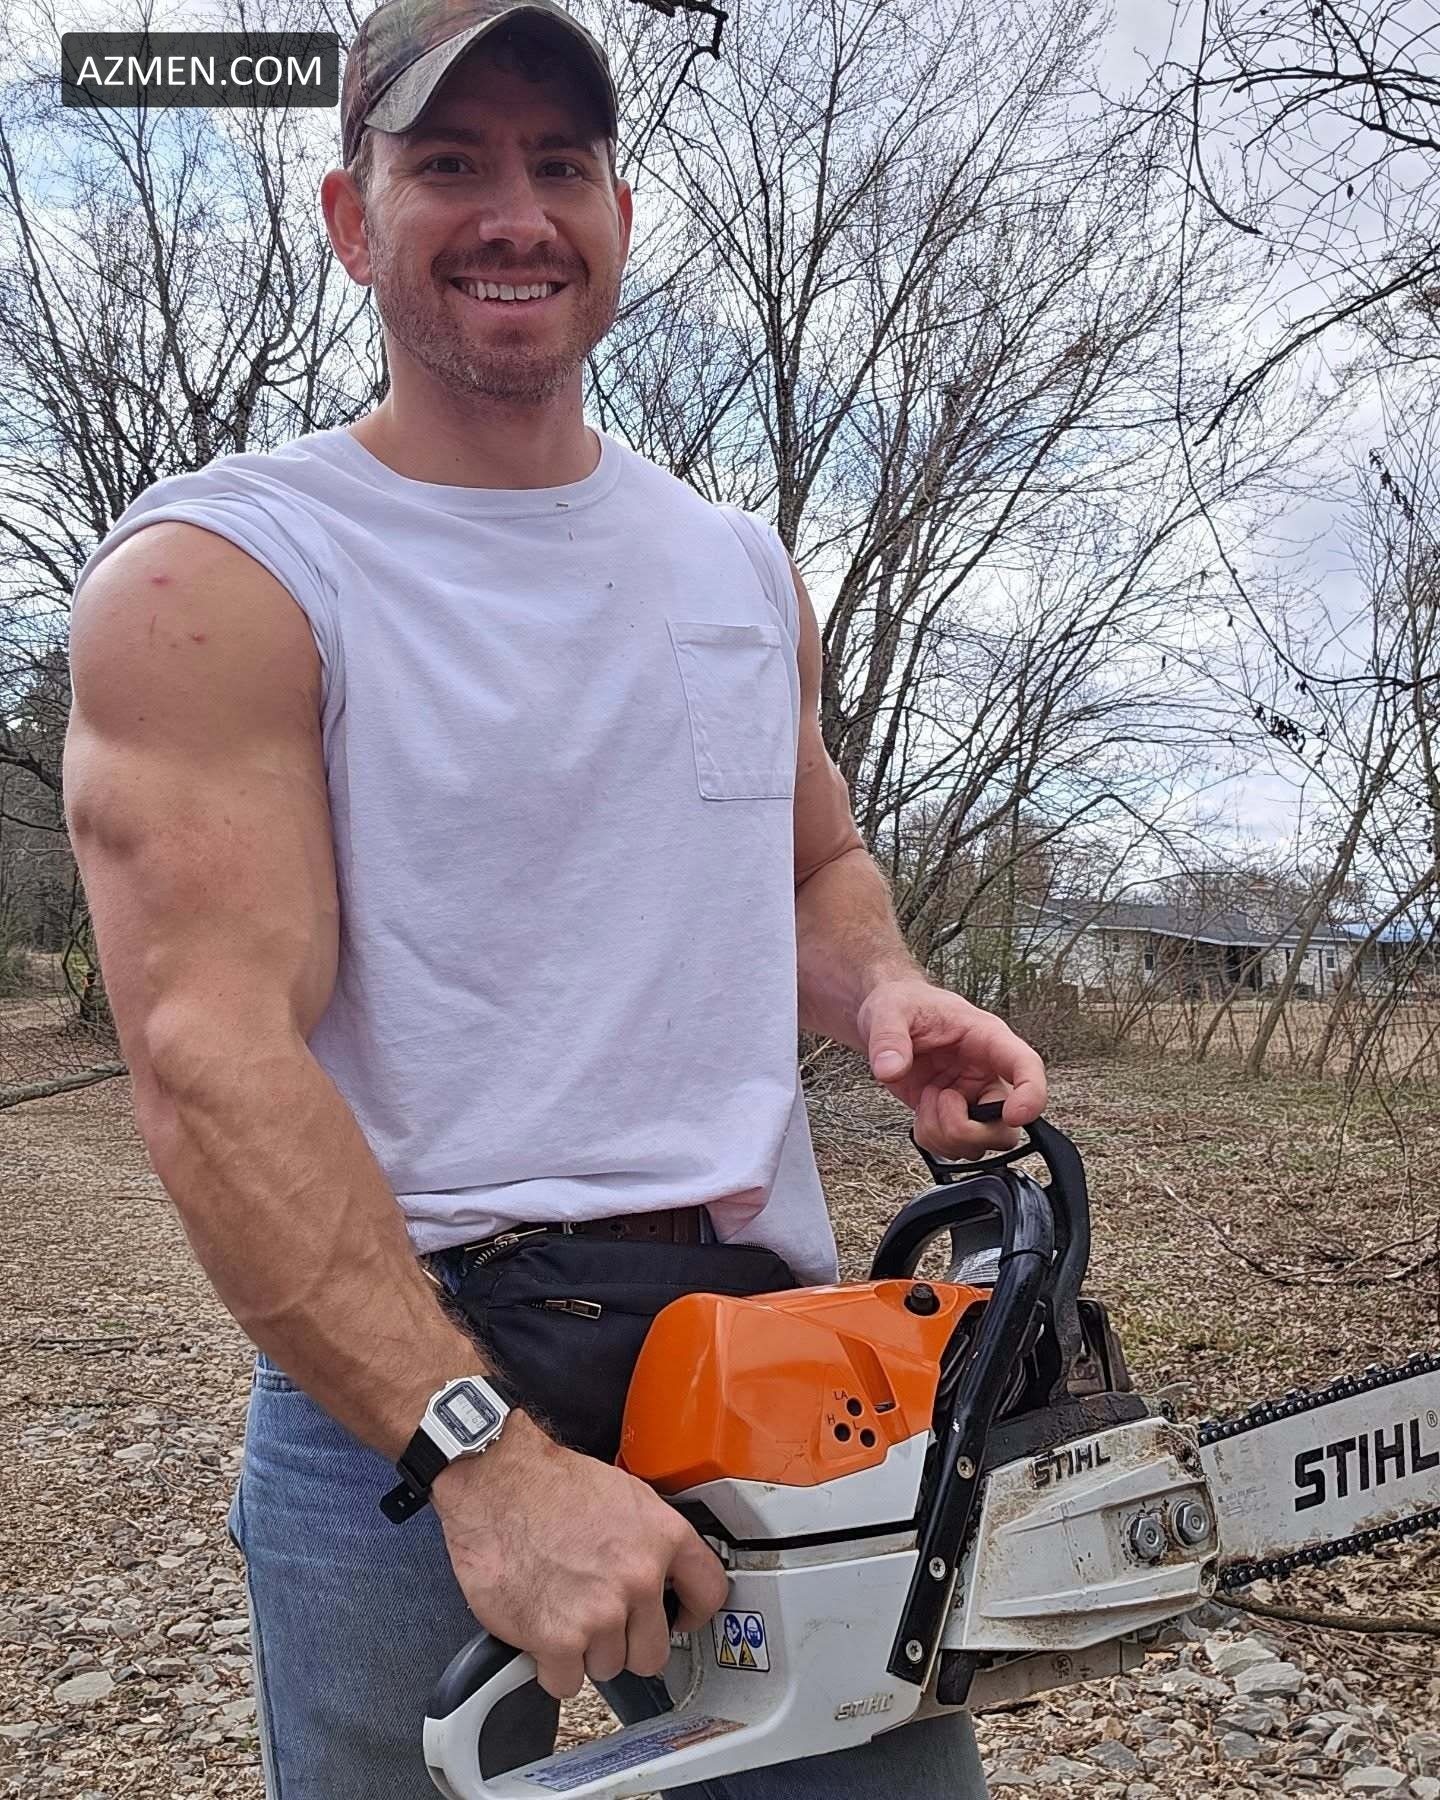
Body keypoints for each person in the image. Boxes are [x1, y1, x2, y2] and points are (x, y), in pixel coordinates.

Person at [62, 0, 1048, 1793]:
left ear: (615, 215)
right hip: (406, 1366)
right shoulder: (227, 573)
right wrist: (479, 1459)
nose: (515, 212)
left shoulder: (736, 568)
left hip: (762, 1354)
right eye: (450, 162)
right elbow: (210, 1054)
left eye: (560, 164)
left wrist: (882, 990)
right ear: (351, 218)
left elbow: (808, 859)